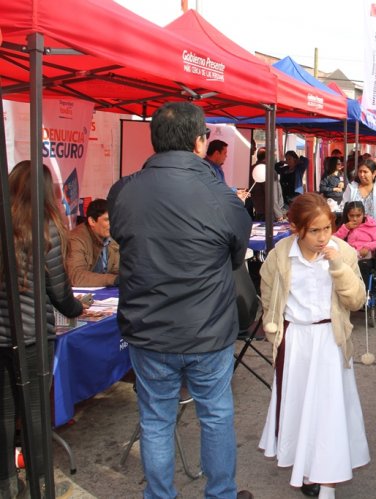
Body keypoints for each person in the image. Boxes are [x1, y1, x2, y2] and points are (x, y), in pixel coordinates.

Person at [107, 102, 253, 499]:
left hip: (149, 330)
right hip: (207, 331)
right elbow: (237, 256)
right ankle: (220, 493)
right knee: (215, 416)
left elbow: (123, 239)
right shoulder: (223, 197)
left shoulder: (124, 191)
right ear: (199, 142)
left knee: (156, 419)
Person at [258, 193, 368, 499]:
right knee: (298, 408)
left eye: (327, 229)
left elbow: (357, 300)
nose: (322, 237)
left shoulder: (342, 251)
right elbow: (269, 295)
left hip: (329, 340)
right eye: (315, 231)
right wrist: (274, 331)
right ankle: (306, 469)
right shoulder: (281, 254)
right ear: (296, 228)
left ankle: (328, 484)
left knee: (329, 413)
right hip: (294, 342)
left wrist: (339, 267)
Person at [1, 161, 84, 498]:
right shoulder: (46, 229)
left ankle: (6, 483)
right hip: (32, 337)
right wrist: (77, 309)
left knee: (5, 414)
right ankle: (40, 485)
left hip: (3, 338)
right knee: (35, 414)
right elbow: (59, 291)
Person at [65, 199, 120, 287]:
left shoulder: (112, 238)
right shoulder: (76, 239)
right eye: (107, 220)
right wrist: (113, 279)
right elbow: (76, 277)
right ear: (92, 221)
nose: (112, 224)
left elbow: (117, 269)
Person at [341, 159, 376, 224]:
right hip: (355, 229)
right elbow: (344, 206)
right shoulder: (351, 187)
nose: (362, 175)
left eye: (365, 172)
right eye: (360, 171)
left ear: (374, 173)